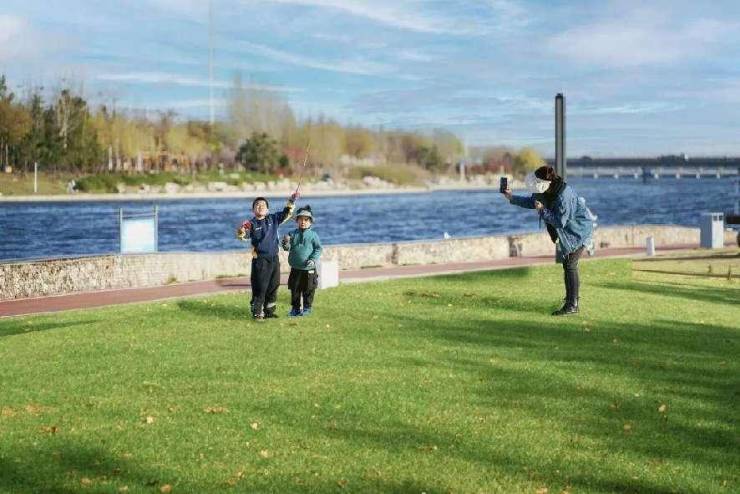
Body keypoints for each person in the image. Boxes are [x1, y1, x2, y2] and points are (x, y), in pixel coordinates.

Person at [503, 165, 593, 315]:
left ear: (546, 183)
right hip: (567, 232)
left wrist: (542, 210)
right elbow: (532, 202)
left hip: (578, 231)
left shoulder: (565, 196)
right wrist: (511, 197)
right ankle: (571, 301)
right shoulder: (543, 190)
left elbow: (560, 222)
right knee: (568, 265)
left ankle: (572, 305)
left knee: (570, 264)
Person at [237, 193, 298, 320]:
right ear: (253, 210)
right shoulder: (251, 224)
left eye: (263, 205)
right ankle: (257, 311)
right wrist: (241, 230)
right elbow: (243, 235)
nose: (260, 206)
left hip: (274, 259)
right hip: (260, 260)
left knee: (274, 285)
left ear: (268, 209)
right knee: (261, 286)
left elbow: (287, 213)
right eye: (257, 205)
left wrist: (292, 200)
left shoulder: (273, 219)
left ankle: (269, 311)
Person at [281, 205, 323, 317]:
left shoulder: (313, 235)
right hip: (295, 268)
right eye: (300, 220)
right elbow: (287, 248)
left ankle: (307, 308)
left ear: (311, 222)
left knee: (308, 290)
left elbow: (318, 249)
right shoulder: (292, 234)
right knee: (295, 290)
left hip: (309, 269)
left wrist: (313, 260)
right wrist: (285, 242)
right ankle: (295, 309)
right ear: (297, 221)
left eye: (306, 220)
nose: (303, 222)